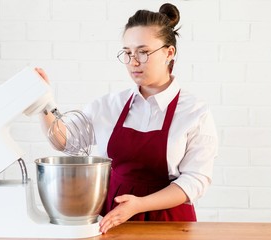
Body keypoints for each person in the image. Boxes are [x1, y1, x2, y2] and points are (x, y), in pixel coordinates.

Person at [36, 2, 218, 234]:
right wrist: (43, 102)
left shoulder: (194, 112)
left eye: (143, 52)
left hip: (171, 223)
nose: (134, 62)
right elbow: (65, 141)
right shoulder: (109, 105)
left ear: (169, 53)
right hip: (113, 217)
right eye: (128, 53)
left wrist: (140, 204)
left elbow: (196, 180)